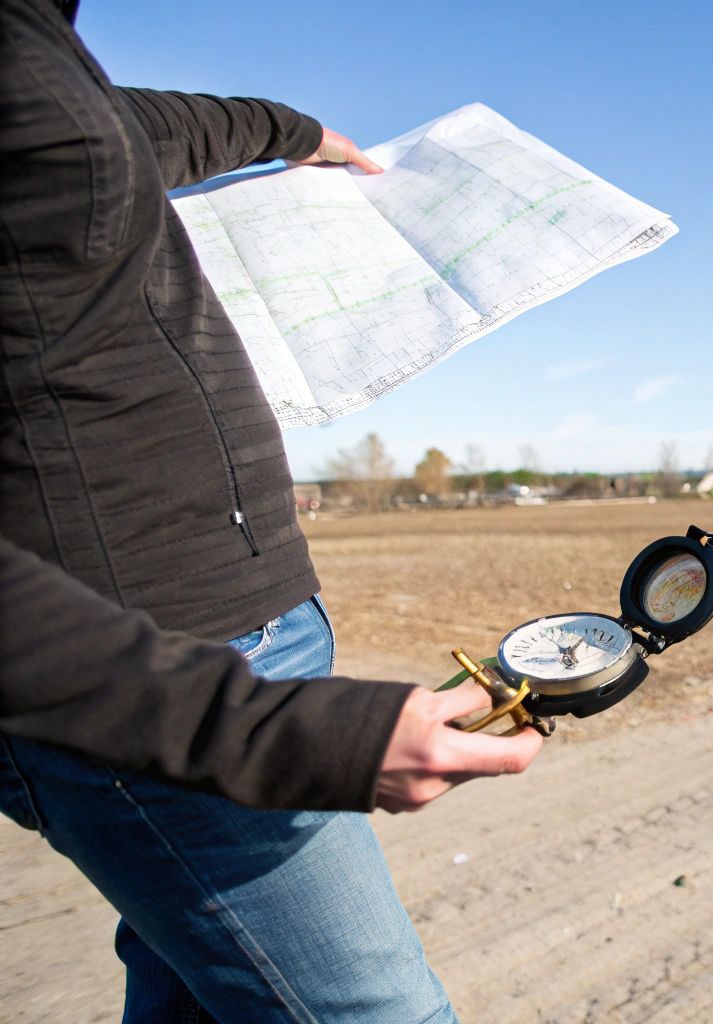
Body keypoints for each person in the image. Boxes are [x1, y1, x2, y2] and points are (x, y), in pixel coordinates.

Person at [0, 1, 543, 1018]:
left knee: (210, 999)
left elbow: (97, 127)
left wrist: (287, 129)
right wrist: (254, 731)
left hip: (245, 615)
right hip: (150, 665)